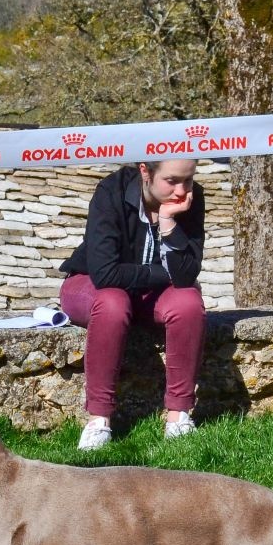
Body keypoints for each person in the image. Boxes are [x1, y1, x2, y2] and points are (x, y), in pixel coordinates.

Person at [58, 160, 207, 450]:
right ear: (145, 172)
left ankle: (178, 416)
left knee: (188, 303)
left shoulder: (191, 198)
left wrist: (167, 222)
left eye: (188, 180)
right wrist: (165, 275)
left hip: (150, 294)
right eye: (172, 181)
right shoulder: (110, 192)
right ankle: (99, 420)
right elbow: (105, 274)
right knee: (113, 302)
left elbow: (188, 274)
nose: (181, 190)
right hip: (90, 286)